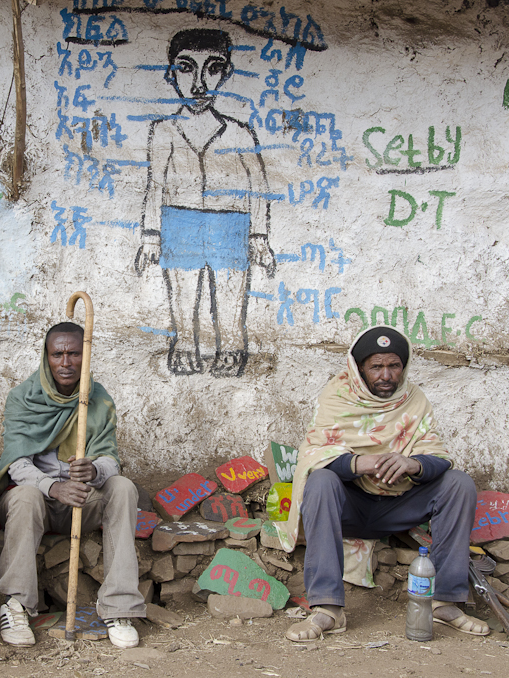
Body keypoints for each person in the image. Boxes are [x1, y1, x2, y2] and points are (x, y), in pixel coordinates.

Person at [281, 325, 488, 641]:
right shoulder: (336, 396)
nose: (386, 375)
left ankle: (445, 601)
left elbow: (438, 455)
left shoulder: (414, 400)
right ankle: (327, 609)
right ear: (360, 368)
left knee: (459, 483)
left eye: (394, 365)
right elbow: (314, 453)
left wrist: (412, 463)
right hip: (351, 505)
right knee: (321, 480)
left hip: (400, 505)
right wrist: (356, 463)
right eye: (376, 366)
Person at [0, 322, 145, 648]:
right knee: (23, 496)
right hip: (40, 501)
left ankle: (119, 608)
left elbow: (110, 459)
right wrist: (52, 487)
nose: (66, 362)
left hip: (82, 499)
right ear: (46, 358)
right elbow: (17, 465)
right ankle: (16, 604)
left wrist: (95, 470)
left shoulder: (99, 399)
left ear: (85, 355)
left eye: (74, 353)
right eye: (57, 354)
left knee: (123, 487)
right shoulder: (23, 398)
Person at [137, 28, 276, 377]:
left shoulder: (239, 133)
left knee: (230, 289)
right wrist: (151, 235)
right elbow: (155, 184)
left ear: (225, 73)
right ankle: (185, 343)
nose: (199, 84)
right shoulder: (164, 130)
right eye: (186, 69)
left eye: (212, 69)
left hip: (230, 222)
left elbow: (257, 185)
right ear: (172, 74)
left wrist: (258, 237)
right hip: (179, 219)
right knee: (183, 290)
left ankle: (230, 348)